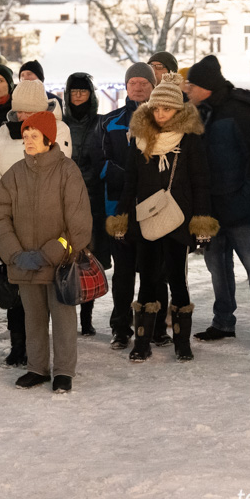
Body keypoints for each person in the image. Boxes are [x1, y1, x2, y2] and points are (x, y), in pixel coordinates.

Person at [107, 73, 217, 363]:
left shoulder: (190, 139)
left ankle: (182, 342)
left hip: (179, 219)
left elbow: (201, 182)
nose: (160, 114)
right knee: (148, 280)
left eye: (166, 109)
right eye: (156, 109)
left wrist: (202, 221)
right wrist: (121, 218)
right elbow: (130, 183)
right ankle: (142, 342)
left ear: (178, 111)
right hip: (147, 219)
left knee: (177, 280)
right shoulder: (139, 140)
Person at [0, 110, 91, 392]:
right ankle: (37, 368)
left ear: (49, 139)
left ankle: (64, 371)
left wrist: (50, 254)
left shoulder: (67, 171)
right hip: (24, 263)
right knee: (32, 318)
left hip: (59, 265)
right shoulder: (15, 173)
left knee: (63, 318)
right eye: (26, 136)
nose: (28, 141)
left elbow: (79, 225)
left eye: (34, 136)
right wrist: (15, 254)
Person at [183, 55, 250, 348]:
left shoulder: (241, 110)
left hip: (243, 208)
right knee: (218, 269)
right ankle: (223, 322)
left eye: (192, 84)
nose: (187, 88)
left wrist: (248, 191)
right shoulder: (196, 113)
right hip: (209, 209)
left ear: (206, 87)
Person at [0, 79, 72, 366]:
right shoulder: (4, 130)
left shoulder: (59, 130)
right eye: (17, 110)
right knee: (15, 285)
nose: (20, 117)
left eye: (26, 111)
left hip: (46, 224)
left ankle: (56, 358)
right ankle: (19, 344)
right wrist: (6, 196)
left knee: (48, 292)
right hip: (10, 220)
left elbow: (57, 171)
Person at [92, 63, 171, 350]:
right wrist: (127, 177)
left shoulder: (166, 119)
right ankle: (120, 328)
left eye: (144, 83)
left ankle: (157, 326)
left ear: (153, 86)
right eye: (133, 83)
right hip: (119, 210)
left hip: (155, 209)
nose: (138, 88)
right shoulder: (109, 121)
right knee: (123, 275)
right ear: (125, 87)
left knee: (156, 273)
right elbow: (97, 162)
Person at [62, 71, 109, 336]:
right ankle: (67, 311)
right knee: (65, 258)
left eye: (83, 92)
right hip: (66, 200)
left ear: (91, 95)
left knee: (88, 258)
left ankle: (87, 318)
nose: (78, 96)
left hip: (93, 200)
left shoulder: (101, 123)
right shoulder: (61, 123)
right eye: (74, 92)